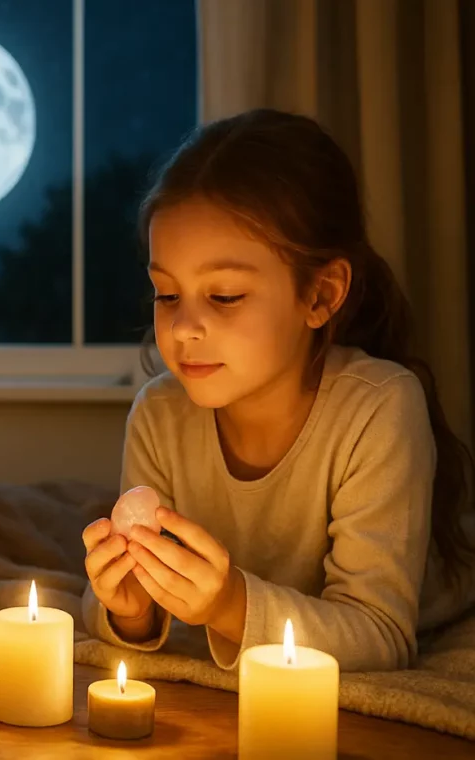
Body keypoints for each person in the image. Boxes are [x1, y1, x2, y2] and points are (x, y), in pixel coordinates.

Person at [82, 109, 475, 672]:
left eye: (224, 297)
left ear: (320, 295)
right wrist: (131, 611)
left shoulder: (379, 408)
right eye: (167, 294)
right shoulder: (160, 414)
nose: (184, 326)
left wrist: (229, 605)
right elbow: (117, 610)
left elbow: (382, 632)